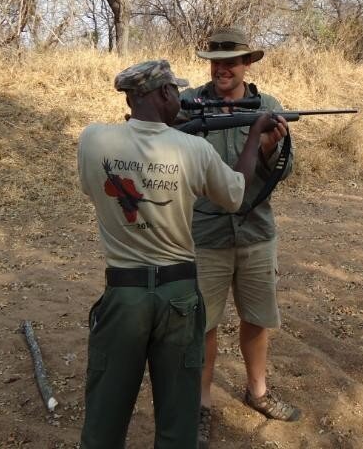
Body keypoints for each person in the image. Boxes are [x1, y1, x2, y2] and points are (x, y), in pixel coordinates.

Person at [77, 59, 285, 449]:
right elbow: (236, 194)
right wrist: (255, 134)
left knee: (105, 415)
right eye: (175, 91)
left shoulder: (93, 140)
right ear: (164, 94)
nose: (181, 98)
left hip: (123, 296)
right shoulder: (194, 150)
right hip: (179, 298)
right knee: (178, 421)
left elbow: (94, 188)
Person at [179, 27, 300, 449]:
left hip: (255, 232)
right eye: (216, 60)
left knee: (257, 317)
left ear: (248, 64)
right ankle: (200, 405)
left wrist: (268, 148)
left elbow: (284, 171)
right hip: (206, 233)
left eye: (231, 61)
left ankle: (258, 392)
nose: (222, 68)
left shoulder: (268, 107)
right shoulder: (187, 103)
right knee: (204, 324)